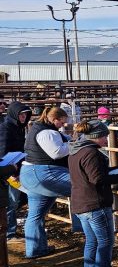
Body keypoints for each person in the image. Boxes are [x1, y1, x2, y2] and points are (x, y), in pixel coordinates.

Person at [69, 119, 118, 267]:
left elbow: (94, 174)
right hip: (94, 204)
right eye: (104, 136)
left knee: (92, 242)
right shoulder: (91, 153)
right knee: (105, 243)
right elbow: (97, 179)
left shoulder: (76, 150)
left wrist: (114, 170)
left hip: (81, 203)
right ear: (96, 136)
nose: (106, 139)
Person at [21, 106, 81, 258]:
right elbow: (56, 152)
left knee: (35, 215)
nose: (63, 125)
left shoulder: (39, 129)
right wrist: (74, 144)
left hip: (31, 174)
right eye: (62, 122)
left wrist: (69, 141)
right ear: (54, 120)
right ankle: (84, 228)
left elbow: (61, 143)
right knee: (81, 187)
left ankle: (35, 250)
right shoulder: (46, 132)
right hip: (43, 173)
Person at [0, 101, 32, 239]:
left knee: (14, 200)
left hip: (16, 168)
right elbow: (2, 152)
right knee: (11, 202)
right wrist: (10, 172)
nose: (24, 118)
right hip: (9, 170)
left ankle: (10, 231)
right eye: (21, 115)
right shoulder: (6, 128)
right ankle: (9, 233)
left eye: (25, 115)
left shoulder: (17, 128)